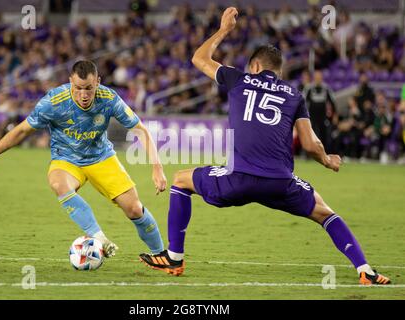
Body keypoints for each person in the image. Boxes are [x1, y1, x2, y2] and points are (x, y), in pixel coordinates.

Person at [139, 7, 391, 285]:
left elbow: (199, 58)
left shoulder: (239, 79)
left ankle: (174, 257)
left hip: (239, 179)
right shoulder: (294, 95)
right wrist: (328, 160)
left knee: (180, 180)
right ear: (278, 70)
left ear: (255, 67)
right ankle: (365, 270)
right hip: (280, 182)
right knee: (326, 214)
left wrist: (224, 30)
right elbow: (309, 143)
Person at [0, 60, 167, 259]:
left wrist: (157, 167)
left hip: (101, 158)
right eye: (78, 88)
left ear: (98, 83)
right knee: (59, 183)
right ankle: (99, 238)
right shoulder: (54, 102)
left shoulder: (109, 98)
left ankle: (161, 256)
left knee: (135, 209)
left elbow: (140, 130)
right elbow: (22, 130)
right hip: (66, 160)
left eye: (89, 88)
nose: (83, 95)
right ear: (70, 82)